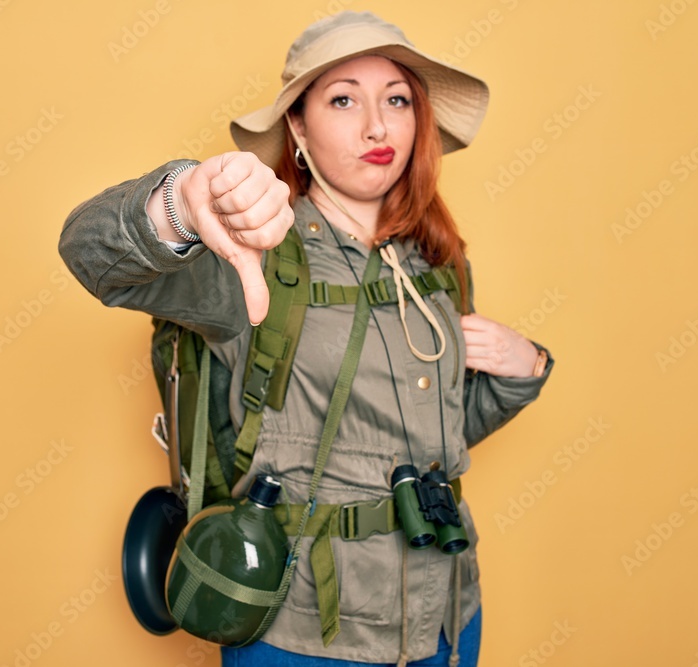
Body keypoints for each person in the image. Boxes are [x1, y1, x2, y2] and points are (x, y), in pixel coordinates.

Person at [59, 10, 553, 667]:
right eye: (343, 98)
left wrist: (523, 374)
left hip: (447, 617)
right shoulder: (250, 250)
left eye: (397, 99)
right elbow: (89, 253)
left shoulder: (437, 263)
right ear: (297, 125)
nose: (377, 125)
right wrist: (180, 201)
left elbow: (428, 439)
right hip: (301, 631)